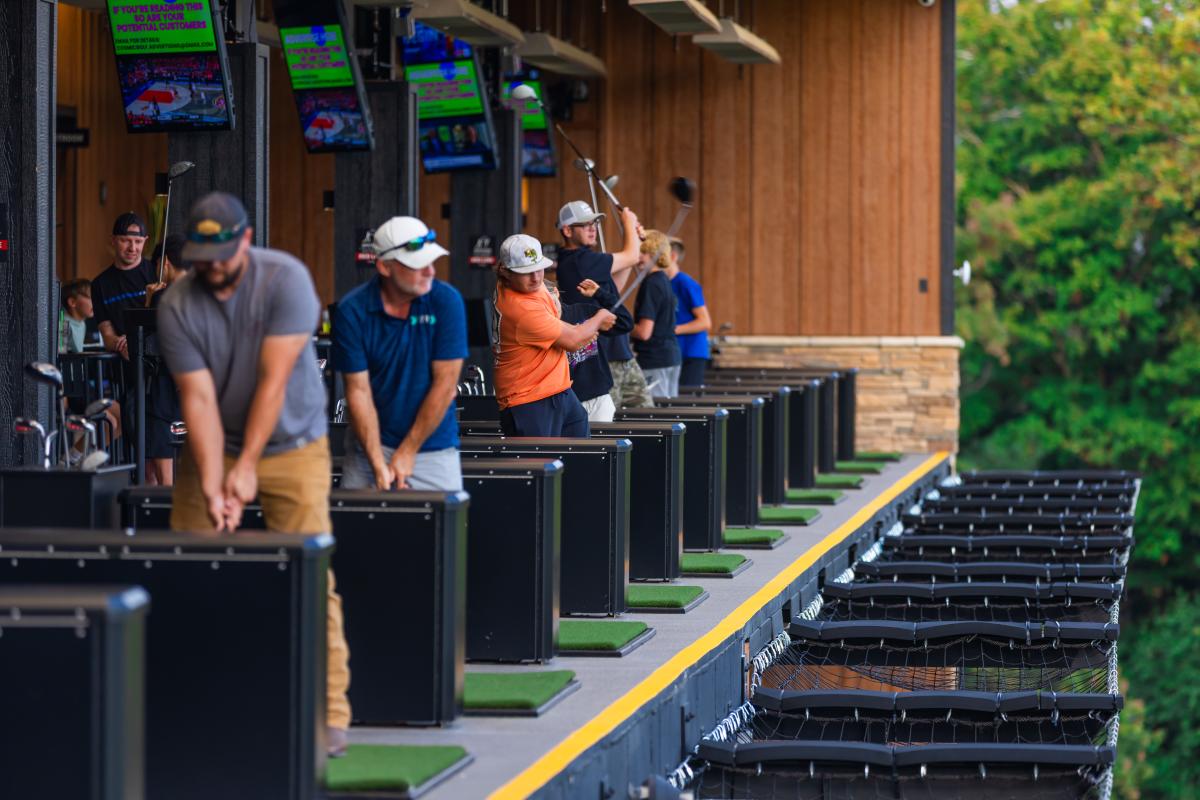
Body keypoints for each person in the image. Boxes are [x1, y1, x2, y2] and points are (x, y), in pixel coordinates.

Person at [156, 192, 351, 757]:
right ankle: (195, 701)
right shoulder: (177, 306)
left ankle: (330, 712)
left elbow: (272, 383)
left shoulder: (285, 280)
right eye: (201, 257)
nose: (211, 267)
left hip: (293, 444)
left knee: (315, 571)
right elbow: (197, 402)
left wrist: (245, 470)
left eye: (221, 254)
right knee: (190, 564)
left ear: (244, 240)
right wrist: (217, 482)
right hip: (212, 441)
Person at [332, 216, 468, 491]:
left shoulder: (446, 301)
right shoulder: (352, 310)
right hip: (367, 446)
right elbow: (358, 392)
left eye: (432, 262)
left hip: (433, 447)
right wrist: (377, 463)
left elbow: (445, 385)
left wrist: (407, 451)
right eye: (419, 265)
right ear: (385, 266)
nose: (430, 271)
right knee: (358, 530)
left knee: (444, 532)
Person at [491, 234, 616, 437]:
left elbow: (561, 324)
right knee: (540, 466)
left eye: (538, 268)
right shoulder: (521, 309)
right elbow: (573, 341)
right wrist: (598, 319)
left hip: (558, 389)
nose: (536, 278)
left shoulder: (526, 286)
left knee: (581, 454)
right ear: (505, 272)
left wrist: (578, 331)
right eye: (526, 272)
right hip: (528, 400)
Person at [553, 200, 655, 417]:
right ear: (567, 230)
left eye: (594, 223)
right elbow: (632, 256)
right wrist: (629, 221)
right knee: (617, 427)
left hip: (619, 352)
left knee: (647, 421)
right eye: (585, 224)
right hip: (606, 356)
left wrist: (634, 237)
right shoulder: (581, 260)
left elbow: (615, 289)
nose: (593, 228)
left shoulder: (583, 261)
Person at [141, 233, 189, 487]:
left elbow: (148, 343)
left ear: (165, 263)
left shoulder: (164, 296)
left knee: (163, 475)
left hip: (164, 386)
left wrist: (149, 302)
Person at [632, 231, 682, 398]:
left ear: (654, 255)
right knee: (670, 413)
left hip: (654, 359)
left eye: (643, 253)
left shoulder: (651, 284)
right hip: (671, 357)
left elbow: (644, 332)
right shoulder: (664, 280)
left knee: (657, 416)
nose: (638, 257)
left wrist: (621, 325)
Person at [667, 238, 712, 386]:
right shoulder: (662, 283)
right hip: (675, 351)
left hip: (691, 352)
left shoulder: (685, 283)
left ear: (673, 256)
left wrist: (671, 330)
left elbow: (705, 322)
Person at [59, 278, 93, 354]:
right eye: (91, 297)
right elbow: (61, 356)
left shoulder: (82, 323)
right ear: (72, 302)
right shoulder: (63, 324)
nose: (96, 301)